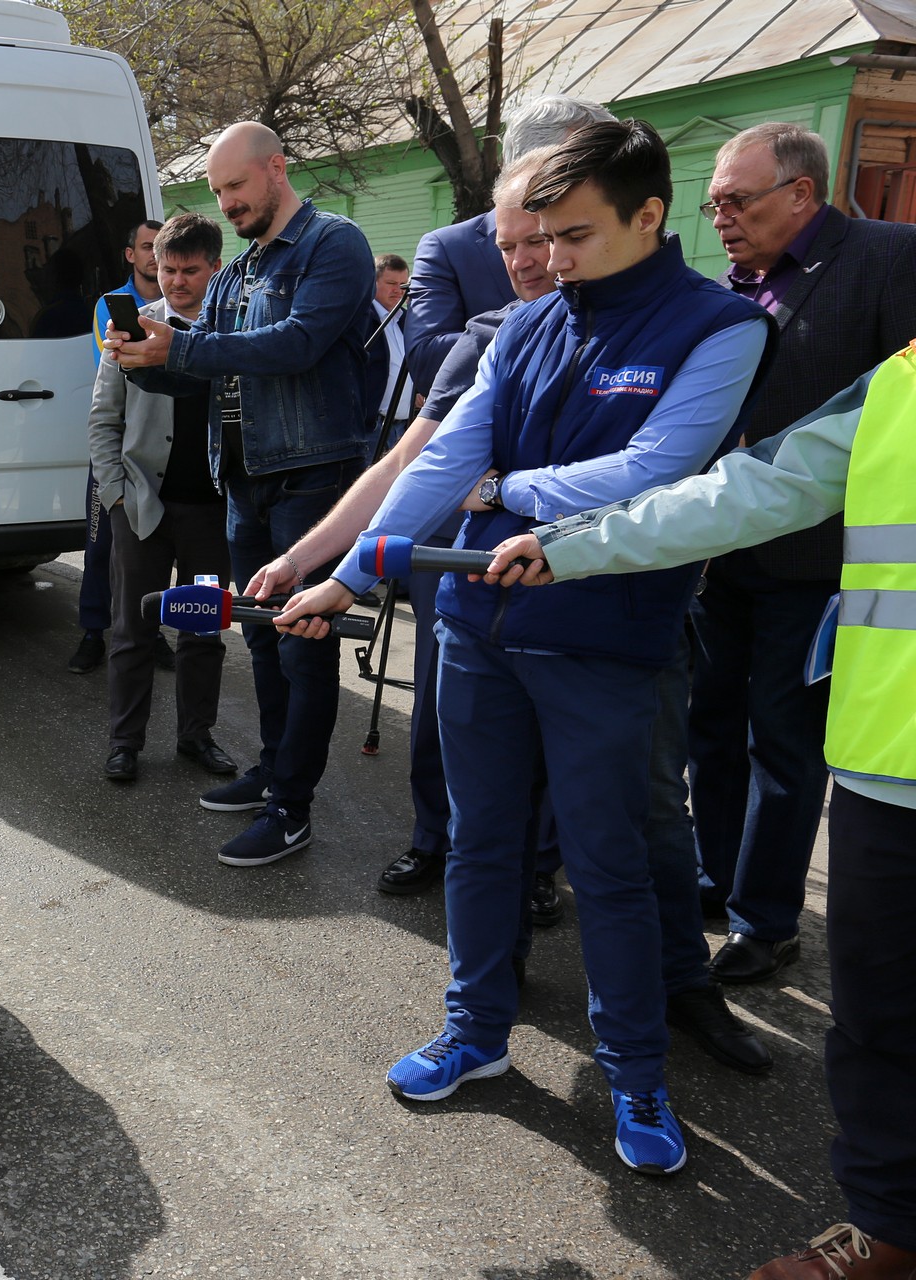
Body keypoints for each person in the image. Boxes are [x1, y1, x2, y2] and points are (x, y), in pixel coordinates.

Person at [276, 120, 772, 1172]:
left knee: (611, 865)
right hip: (476, 633)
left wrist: (505, 490)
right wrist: (352, 572)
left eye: (576, 235)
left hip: (603, 641)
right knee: (482, 844)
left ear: (651, 216)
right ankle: (477, 1033)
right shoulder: (529, 324)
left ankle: (636, 1073)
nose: (551, 258)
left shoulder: (719, 326)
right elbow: (443, 457)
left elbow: (658, 469)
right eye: (540, 235)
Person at [481, 345, 916, 1277]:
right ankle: (888, 1231)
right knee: (881, 1016)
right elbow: (747, 491)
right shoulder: (900, 379)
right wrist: (574, 544)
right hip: (894, 767)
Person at [373, 94, 617, 919]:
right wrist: (508, 328)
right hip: (457, 516)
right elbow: (432, 349)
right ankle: (434, 836)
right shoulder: (454, 249)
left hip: (565, 526)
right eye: (522, 236)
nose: (536, 252)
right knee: (446, 700)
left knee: (546, 710)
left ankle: (537, 866)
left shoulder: (626, 278)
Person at [108, 121, 375, 868]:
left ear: (278, 169)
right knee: (260, 640)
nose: (225, 203)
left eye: (236, 186)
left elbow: (297, 344)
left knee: (302, 649)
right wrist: (139, 361)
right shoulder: (236, 273)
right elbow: (206, 370)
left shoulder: (334, 244)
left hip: (311, 479)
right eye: (218, 191)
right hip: (244, 482)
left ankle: (293, 807)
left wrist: (181, 345)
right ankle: (272, 769)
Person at [685, 122, 916, 984]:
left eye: (738, 200)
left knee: (782, 744)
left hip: (819, 563)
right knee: (711, 726)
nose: (725, 217)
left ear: (802, 194)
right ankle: (717, 876)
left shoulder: (890, 260)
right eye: (716, 203)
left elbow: (896, 421)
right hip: (724, 553)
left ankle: (764, 919)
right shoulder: (735, 284)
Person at [91, 213, 236, 784]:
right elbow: (103, 419)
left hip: (212, 513)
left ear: (214, 268)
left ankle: (196, 737)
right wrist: (116, 495)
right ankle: (124, 743)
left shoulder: (236, 330)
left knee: (202, 630)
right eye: (166, 269)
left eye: (189, 270)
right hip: (142, 508)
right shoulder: (131, 328)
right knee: (132, 630)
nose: (176, 281)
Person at [402, 95, 616, 395]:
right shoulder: (449, 248)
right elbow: (428, 362)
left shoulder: (616, 238)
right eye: (581, 165)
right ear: (531, 164)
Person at [71, 219, 168, 677]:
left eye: (160, 247)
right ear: (130, 254)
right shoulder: (111, 306)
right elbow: (113, 366)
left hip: (163, 446)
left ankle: (158, 630)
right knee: (100, 545)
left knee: (157, 544)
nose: (154, 255)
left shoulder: (183, 304)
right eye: (146, 247)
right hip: (116, 445)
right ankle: (93, 632)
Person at [368, 253, 415, 441]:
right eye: (391, 283)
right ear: (373, 282)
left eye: (403, 284)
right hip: (373, 428)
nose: (399, 290)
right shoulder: (361, 318)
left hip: (403, 428)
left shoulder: (406, 320)